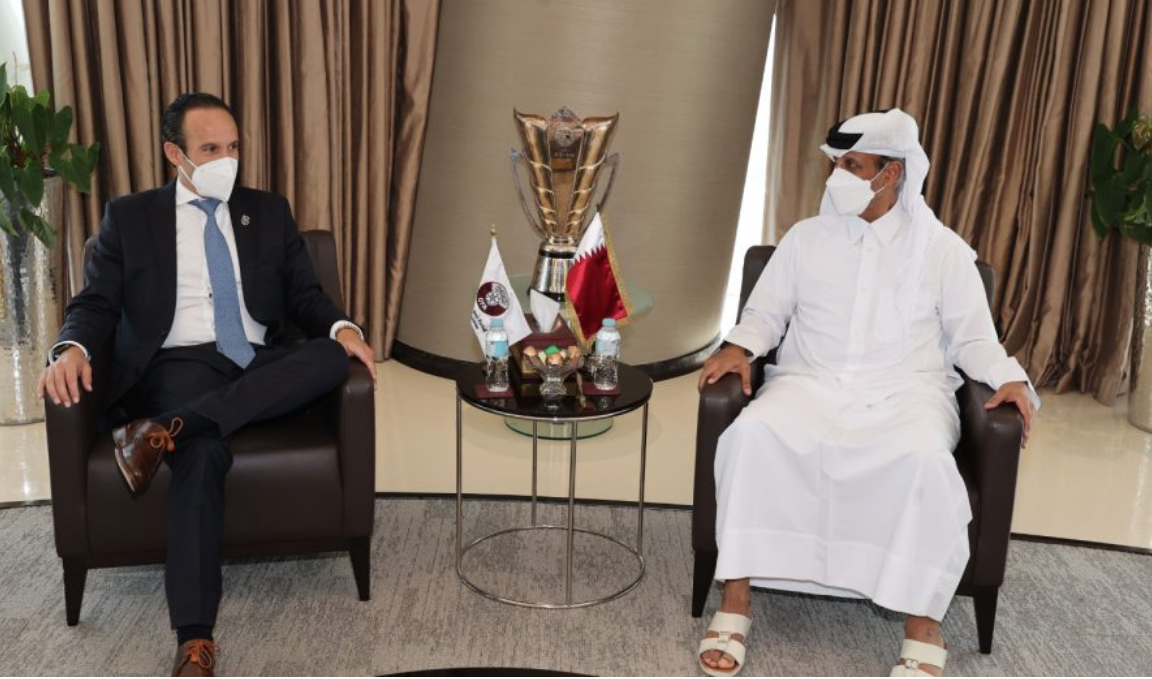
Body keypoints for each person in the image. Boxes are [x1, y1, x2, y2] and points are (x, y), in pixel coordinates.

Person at [37, 92, 377, 677]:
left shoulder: (267, 211)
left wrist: (345, 328)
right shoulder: (132, 217)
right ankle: (195, 639)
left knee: (327, 357)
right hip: (176, 368)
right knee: (203, 452)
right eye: (211, 148)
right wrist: (69, 346)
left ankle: (164, 432)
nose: (228, 158)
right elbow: (94, 305)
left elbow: (304, 295)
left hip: (255, 364)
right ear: (175, 153)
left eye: (234, 146)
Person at [695, 109, 1037, 677]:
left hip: (907, 395)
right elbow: (764, 313)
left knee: (925, 461)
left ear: (892, 173)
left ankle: (922, 624)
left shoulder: (944, 252)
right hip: (811, 383)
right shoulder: (807, 239)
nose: (838, 177)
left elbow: (973, 338)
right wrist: (739, 346)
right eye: (836, 165)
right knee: (753, 433)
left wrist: (1008, 378)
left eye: (852, 165)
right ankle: (735, 601)